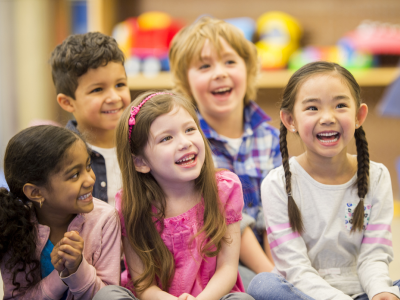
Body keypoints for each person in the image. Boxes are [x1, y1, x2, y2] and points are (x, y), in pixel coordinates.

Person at [248, 61, 400, 300]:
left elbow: (374, 255)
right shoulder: (277, 184)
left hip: (361, 291)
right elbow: (295, 270)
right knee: (263, 284)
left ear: (359, 115)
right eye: (312, 108)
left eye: (340, 105)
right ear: (290, 120)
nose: (327, 117)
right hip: (303, 294)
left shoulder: (377, 176)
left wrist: (381, 291)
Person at [93, 91, 254, 300]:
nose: (185, 142)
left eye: (189, 129)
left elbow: (228, 270)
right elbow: (143, 285)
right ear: (140, 162)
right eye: (166, 138)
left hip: (211, 297)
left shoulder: (224, 188)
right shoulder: (129, 205)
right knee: (107, 295)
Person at [168, 16, 278, 286]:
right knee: (265, 289)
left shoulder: (269, 137)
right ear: (186, 81)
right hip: (217, 261)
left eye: (229, 62)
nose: (220, 73)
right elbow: (227, 218)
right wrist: (272, 274)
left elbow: (278, 208)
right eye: (205, 66)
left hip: (274, 251)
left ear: (248, 68)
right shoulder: (189, 143)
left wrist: (280, 268)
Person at [0, 125, 121, 300]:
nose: (90, 179)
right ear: (36, 192)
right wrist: (60, 276)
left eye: (88, 166)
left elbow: (109, 295)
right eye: (74, 175)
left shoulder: (105, 219)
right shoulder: (13, 225)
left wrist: (77, 268)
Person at [50, 31, 131, 206]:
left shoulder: (143, 145)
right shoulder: (56, 158)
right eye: (97, 90)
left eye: (120, 85)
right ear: (67, 102)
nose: (114, 97)